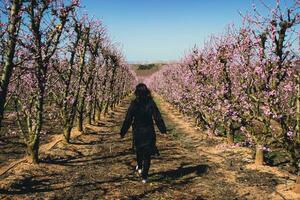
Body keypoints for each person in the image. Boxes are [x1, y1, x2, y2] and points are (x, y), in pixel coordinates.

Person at [120, 83, 167, 183]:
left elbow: (128, 119)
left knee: (139, 149)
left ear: (136, 93)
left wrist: (123, 132)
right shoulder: (151, 102)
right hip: (149, 131)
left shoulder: (134, 103)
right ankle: (144, 176)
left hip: (137, 132)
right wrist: (163, 130)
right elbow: (157, 117)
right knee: (147, 154)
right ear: (147, 92)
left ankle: (140, 166)